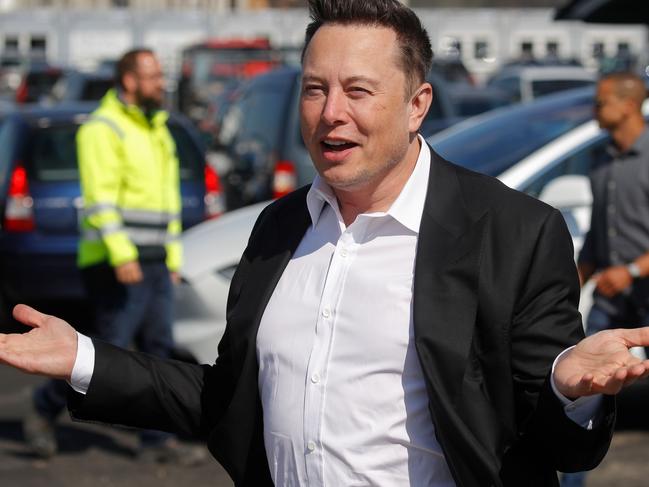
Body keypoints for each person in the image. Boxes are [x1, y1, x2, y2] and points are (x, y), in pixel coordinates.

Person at [2, 2, 649, 485]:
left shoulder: (513, 230)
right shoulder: (278, 228)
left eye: (357, 91)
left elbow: (556, 448)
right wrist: (83, 356)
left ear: (416, 104)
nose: (329, 112)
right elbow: (227, 395)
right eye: (314, 88)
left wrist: (570, 387)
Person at [23, 48, 205, 466]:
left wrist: (172, 258)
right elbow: (101, 201)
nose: (162, 82)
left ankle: (157, 441)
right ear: (129, 81)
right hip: (114, 261)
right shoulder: (102, 129)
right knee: (108, 349)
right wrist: (124, 256)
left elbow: (167, 204)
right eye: (153, 75)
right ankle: (42, 407)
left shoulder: (156, 128)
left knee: (157, 352)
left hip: (156, 260)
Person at [562, 72, 649, 487]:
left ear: (628, 105)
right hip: (611, 301)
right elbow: (597, 242)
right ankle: (573, 477)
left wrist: (633, 270)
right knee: (587, 388)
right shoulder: (602, 165)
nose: (594, 112)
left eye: (600, 104)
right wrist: (570, 287)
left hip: (643, 292)